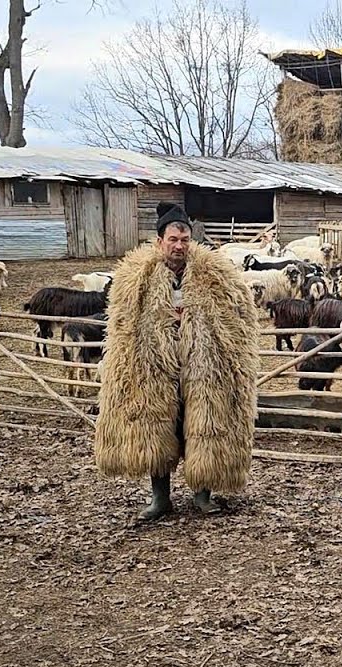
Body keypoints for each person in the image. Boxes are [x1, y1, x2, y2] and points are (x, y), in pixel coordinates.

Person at [94, 203, 259, 521]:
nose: (179, 246)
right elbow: (122, 327)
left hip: (204, 367)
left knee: (204, 426)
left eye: (184, 239)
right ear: (159, 241)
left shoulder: (216, 275)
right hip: (154, 367)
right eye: (173, 239)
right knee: (156, 430)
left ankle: (202, 495)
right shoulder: (134, 278)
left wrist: (201, 322)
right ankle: (160, 499)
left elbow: (240, 317)